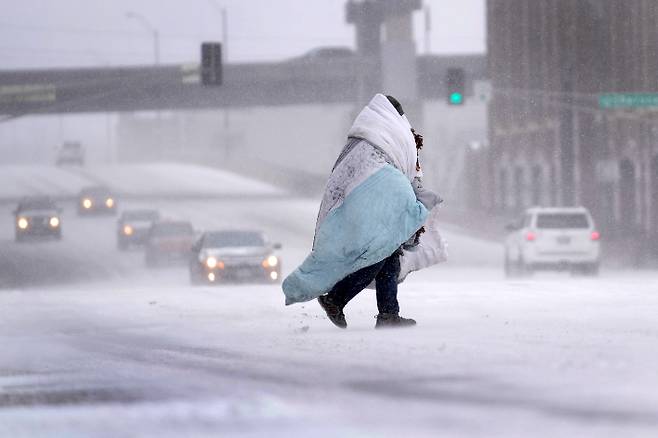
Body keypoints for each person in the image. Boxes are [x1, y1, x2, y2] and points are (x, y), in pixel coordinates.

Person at [282, 94, 443, 329]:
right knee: (379, 253)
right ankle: (336, 298)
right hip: (372, 203)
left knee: (388, 255)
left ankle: (388, 313)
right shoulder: (387, 133)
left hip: (361, 203)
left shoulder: (364, 138)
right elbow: (400, 167)